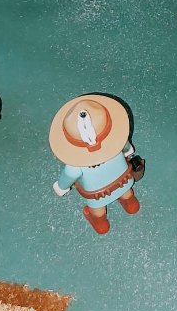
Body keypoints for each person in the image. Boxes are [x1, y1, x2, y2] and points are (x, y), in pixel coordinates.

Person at [49, 95, 144, 235]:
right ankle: (131, 203)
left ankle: (100, 223)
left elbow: (67, 177)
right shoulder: (117, 142)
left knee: (98, 210)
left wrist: (61, 187)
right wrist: (127, 151)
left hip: (97, 195)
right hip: (122, 180)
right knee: (126, 193)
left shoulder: (75, 165)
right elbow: (126, 147)